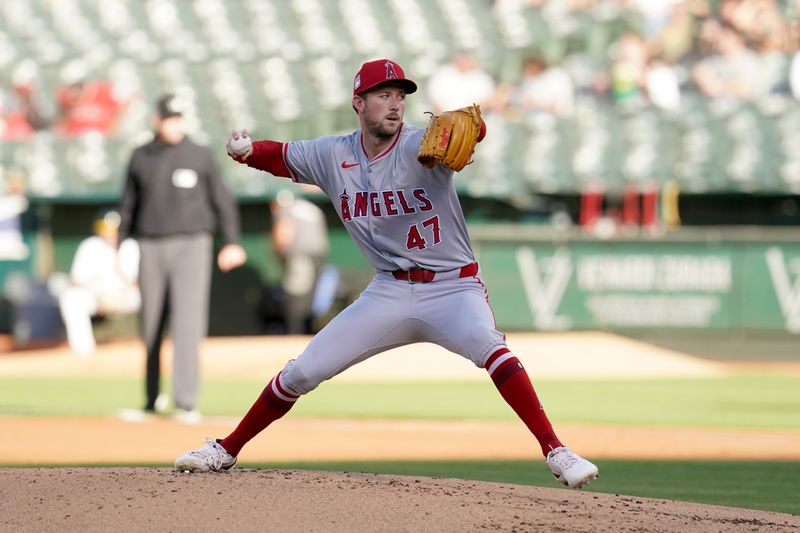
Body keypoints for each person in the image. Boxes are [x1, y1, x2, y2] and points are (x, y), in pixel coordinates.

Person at [175, 59, 598, 489]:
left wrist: (480, 130)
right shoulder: (333, 154)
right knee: (303, 371)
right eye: (384, 95)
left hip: (452, 287)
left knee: (492, 347)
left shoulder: (425, 147)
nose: (395, 105)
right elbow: (281, 156)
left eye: (400, 96)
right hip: (389, 291)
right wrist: (247, 152)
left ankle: (556, 451)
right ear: (359, 102)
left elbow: (472, 133)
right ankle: (225, 449)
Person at [118, 94, 247, 423]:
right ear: (157, 119)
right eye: (169, 118)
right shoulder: (141, 156)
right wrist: (121, 245)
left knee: (188, 324)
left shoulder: (200, 154)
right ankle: (150, 400)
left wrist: (231, 242)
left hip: (193, 243)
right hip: (149, 243)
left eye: (179, 118)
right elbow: (128, 205)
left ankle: (186, 402)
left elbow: (222, 201)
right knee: (149, 326)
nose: (175, 124)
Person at [58, 210, 140, 357]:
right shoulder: (90, 246)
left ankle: (150, 347)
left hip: (126, 296)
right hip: (97, 296)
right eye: (104, 228)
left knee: (153, 296)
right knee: (71, 298)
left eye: (112, 229)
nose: (108, 234)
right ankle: (84, 352)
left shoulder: (130, 245)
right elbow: (77, 280)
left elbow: (138, 281)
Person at [270, 189, 329, 334]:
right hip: (318, 255)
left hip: (300, 255)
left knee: (296, 294)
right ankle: (306, 330)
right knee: (309, 295)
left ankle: (294, 332)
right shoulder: (310, 208)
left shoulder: (287, 209)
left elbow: (283, 234)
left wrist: (278, 252)